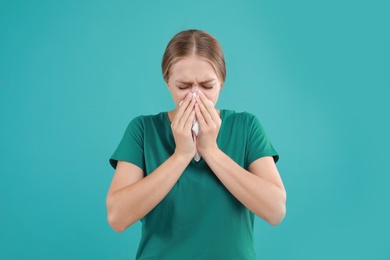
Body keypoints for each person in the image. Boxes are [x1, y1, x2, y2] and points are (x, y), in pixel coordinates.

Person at [106, 29, 286, 259]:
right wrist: (181, 155)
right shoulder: (143, 130)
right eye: (183, 87)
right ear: (167, 82)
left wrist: (211, 150)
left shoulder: (247, 127)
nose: (195, 96)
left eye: (207, 86)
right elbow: (117, 217)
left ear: (221, 81)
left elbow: (275, 210)